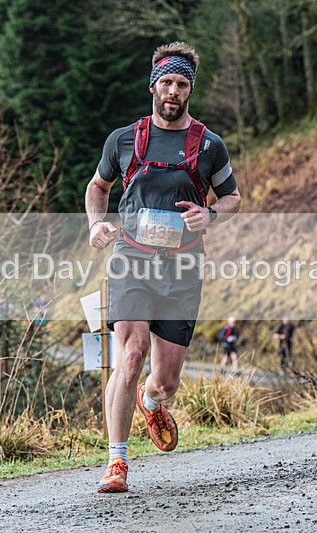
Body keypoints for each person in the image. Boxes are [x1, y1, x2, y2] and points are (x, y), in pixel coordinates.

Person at [85, 41, 241, 493]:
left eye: (182, 84)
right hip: (132, 260)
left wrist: (209, 214)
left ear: (190, 90)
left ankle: (152, 402)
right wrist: (96, 224)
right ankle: (116, 463)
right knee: (129, 355)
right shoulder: (124, 139)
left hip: (182, 266)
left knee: (166, 378)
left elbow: (233, 197)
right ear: (153, 85)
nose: (173, 91)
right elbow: (98, 187)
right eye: (167, 82)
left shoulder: (208, 145)